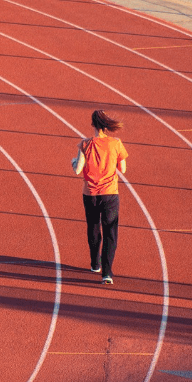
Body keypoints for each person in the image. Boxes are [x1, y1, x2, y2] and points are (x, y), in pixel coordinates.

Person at [72, 110, 128, 285]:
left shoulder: (85, 144)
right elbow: (123, 169)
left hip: (90, 194)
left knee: (93, 228)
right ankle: (107, 272)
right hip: (110, 193)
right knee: (110, 232)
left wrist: (74, 161)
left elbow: (77, 169)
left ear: (93, 125)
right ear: (106, 124)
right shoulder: (116, 143)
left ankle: (95, 263)